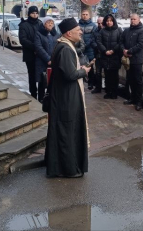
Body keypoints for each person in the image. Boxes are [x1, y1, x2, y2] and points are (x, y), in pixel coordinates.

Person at [44, 18, 91, 178]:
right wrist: (84, 71)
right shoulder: (65, 49)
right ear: (68, 33)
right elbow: (70, 74)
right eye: (78, 29)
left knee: (66, 130)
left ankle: (64, 167)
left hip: (65, 96)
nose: (81, 31)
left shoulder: (65, 45)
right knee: (67, 132)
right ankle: (68, 169)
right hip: (65, 99)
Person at [121, 14, 143, 111]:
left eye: (134, 19)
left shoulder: (142, 31)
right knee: (130, 80)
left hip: (136, 60)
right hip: (128, 61)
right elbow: (121, 41)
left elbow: (140, 44)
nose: (133, 21)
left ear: (139, 20)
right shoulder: (127, 31)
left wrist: (129, 51)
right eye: (131, 19)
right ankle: (132, 98)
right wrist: (124, 50)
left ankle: (139, 101)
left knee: (138, 81)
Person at [96, 14, 123, 99]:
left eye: (111, 21)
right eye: (107, 21)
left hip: (115, 56)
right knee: (107, 76)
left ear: (113, 21)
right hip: (105, 57)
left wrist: (113, 50)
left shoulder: (118, 30)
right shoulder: (102, 31)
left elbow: (120, 42)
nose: (109, 22)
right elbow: (99, 42)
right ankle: (108, 92)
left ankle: (114, 92)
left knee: (114, 76)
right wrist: (105, 51)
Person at [34, 17, 60, 102]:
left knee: (52, 81)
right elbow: (38, 47)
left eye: (52, 23)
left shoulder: (55, 34)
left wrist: (54, 58)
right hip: (42, 62)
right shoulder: (39, 33)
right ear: (44, 24)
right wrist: (48, 59)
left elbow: (58, 46)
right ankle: (41, 99)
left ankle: (51, 100)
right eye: (48, 22)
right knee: (42, 81)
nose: (50, 24)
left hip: (53, 61)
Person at [19, 6, 42, 99]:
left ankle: (41, 95)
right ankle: (33, 94)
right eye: (33, 13)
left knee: (41, 75)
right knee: (32, 75)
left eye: (36, 13)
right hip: (30, 54)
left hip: (40, 55)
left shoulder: (40, 24)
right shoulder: (24, 25)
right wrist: (35, 47)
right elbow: (23, 40)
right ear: (29, 14)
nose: (35, 15)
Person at [79, 10, 98, 90]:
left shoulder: (93, 25)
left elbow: (93, 37)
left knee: (90, 67)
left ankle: (90, 83)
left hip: (89, 50)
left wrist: (86, 45)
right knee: (80, 66)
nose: (85, 16)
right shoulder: (77, 25)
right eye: (83, 14)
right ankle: (81, 83)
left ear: (89, 16)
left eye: (86, 14)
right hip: (80, 50)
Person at [91, 17, 104, 94]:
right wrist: (97, 47)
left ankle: (107, 88)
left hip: (106, 54)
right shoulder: (95, 31)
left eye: (101, 23)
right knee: (98, 72)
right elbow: (92, 41)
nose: (100, 25)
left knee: (107, 72)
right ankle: (98, 87)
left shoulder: (107, 30)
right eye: (98, 23)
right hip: (98, 54)